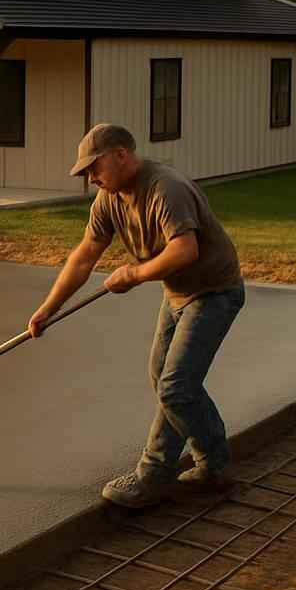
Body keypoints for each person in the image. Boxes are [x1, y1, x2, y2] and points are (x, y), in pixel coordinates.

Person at [29, 124, 245, 508]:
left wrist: (134, 274)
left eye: (95, 168)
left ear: (121, 154)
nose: (92, 178)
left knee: (175, 386)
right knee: (167, 381)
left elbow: (185, 250)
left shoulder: (165, 188)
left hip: (214, 292)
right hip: (178, 293)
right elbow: (85, 255)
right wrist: (49, 308)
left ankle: (160, 474)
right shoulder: (109, 199)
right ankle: (211, 465)